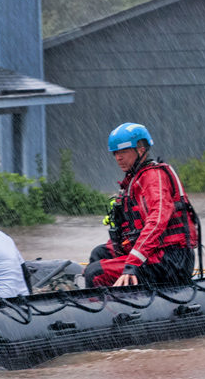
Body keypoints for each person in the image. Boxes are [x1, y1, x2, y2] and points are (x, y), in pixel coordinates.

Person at [84, 122, 198, 288]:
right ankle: (120, 297)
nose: (118, 157)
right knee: (100, 254)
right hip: (155, 254)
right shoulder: (134, 181)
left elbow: (157, 221)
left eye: (124, 151)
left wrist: (132, 264)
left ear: (141, 149)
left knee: (95, 273)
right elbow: (132, 230)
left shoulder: (154, 178)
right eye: (115, 152)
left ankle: (110, 309)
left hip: (171, 259)